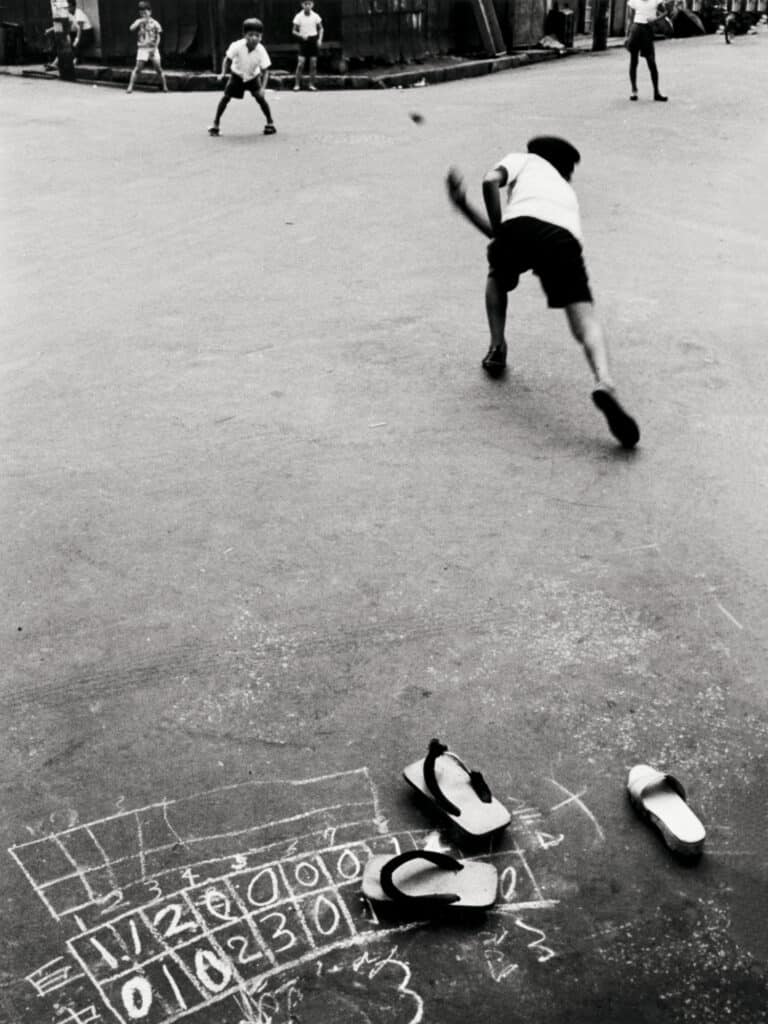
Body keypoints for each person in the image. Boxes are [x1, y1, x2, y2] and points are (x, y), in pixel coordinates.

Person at [445, 137, 640, 450]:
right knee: (585, 320)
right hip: (564, 239)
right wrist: (499, 232)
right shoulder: (565, 191)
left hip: (518, 229)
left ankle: (497, 346)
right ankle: (605, 381)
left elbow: (490, 181)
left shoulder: (526, 161)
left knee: (497, 277)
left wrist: (488, 223)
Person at [208, 19, 276, 137]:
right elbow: (227, 59)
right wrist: (223, 73)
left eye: (257, 35)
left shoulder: (261, 50)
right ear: (244, 35)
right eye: (250, 35)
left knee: (260, 99)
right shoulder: (237, 46)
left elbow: (266, 71)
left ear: (261, 37)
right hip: (237, 75)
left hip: (253, 77)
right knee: (226, 98)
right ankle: (215, 124)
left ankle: (270, 123)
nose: (254, 38)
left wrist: (263, 89)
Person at [625, 0, 668, 101]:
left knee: (651, 62)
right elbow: (631, 18)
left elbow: (666, 12)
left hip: (647, 29)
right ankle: (634, 91)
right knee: (633, 61)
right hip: (636, 29)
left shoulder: (656, 1)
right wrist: (628, 35)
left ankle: (656, 92)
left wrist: (655, 19)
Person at [126, 2, 168, 94]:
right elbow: (131, 28)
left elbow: (158, 36)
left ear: (150, 12)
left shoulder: (155, 23)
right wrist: (140, 21)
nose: (144, 14)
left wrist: (155, 47)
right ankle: (130, 87)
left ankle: (165, 86)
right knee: (138, 68)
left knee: (158, 68)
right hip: (142, 48)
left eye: (146, 12)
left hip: (153, 48)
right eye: (141, 13)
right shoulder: (139, 21)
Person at [45, 1, 92, 70]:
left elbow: (80, 29)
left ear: (73, 6)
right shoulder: (69, 14)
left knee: (72, 45)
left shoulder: (78, 12)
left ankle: (62, 63)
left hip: (86, 34)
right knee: (65, 43)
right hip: (77, 33)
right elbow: (63, 25)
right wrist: (50, 30)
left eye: (69, 7)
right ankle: (56, 63)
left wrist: (77, 40)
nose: (67, 9)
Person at [292, 0, 324, 91]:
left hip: (313, 40)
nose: (307, 6)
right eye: (305, 4)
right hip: (303, 41)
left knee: (313, 64)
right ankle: (297, 84)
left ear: (312, 5)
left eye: (309, 4)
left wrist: (320, 39)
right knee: (300, 64)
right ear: (302, 5)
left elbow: (321, 29)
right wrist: (301, 35)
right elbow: (293, 31)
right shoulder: (298, 16)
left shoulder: (315, 16)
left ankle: (311, 84)